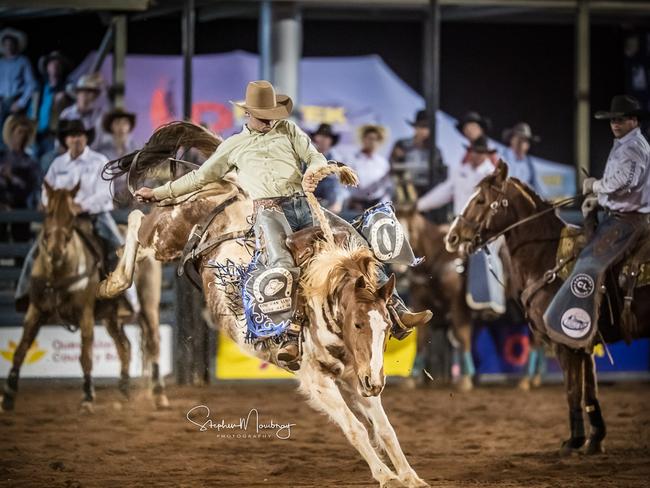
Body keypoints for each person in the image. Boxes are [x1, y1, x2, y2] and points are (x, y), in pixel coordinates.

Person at [134, 80, 431, 368]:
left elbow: (312, 155)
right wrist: (159, 193)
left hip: (303, 202)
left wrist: (316, 169)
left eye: (271, 117)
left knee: (357, 242)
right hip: (268, 212)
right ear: (248, 115)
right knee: (279, 263)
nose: (269, 122)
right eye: (263, 118)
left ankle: (396, 310)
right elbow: (200, 178)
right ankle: (288, 336)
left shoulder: (288, 129)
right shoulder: (233, 146)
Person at [545, 95, 650, 346]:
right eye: (613, 119)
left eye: (621, 119)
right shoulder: (625, 144)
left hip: (628, 221)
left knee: (589, 264)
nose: (615, 123)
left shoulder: (634, 148)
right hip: (618, 216)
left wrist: (595, 185)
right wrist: (600, 199)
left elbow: (625, 182)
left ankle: (582, 324)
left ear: (634, 121)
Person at [15, 119, 133, 312]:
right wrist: (49, 203)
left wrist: (81, 206)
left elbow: (106, 193)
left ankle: (128, 299)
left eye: (79, 135)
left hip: (95, 215)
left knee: (118, 248)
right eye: (71, 135)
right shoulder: (58, 163)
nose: (75, 139)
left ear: (86, 138)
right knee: (35, 251)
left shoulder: (99, 161)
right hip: (63, 219)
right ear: (66, 140)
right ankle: (25, 295)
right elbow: (46, 190)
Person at [0, 114, 40, 241]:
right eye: (19, 132)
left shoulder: (30, 162)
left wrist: (11, 177)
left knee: (21, 234)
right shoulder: (2, 157)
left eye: (25, 133)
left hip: (20, 204)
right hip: (1, 204)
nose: (22, 136)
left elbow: (30, 187)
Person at [389, 109, 445, 196]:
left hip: (427, 196)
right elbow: (392, 168)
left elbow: (441, 176)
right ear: (415, 127)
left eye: (427, 128)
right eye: (422, 127)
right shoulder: (401, 144)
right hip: (404, 194)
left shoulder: (436, 151)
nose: (424, 131)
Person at [345, 124, 392, 213]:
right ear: (363, 139)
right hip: (356, 206)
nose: (372, 142)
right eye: (370, 138)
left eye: (376, 139)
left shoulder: (383, 163)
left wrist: (384, 206)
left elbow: (387, 187)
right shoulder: (352, 161)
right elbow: (345, 186)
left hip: (378, 205)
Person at [34, 51, 71, 157]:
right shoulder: (40, 88)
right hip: (37, 135)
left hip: (54, 136)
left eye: (58, 65)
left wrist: (66, 95)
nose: (55, 67)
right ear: (47, 67)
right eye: (52, 64)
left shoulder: (66, 88)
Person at [0, 28, 37, 130]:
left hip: (16, 100)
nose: (9, 47)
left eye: (11, 44)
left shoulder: (23, 61)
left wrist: (21, 102)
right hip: (2, 101)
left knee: (15, 130)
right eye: (6, 45)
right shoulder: (1, 63)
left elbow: (31, 84)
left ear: (16, 45)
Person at [59, 74, 105, 148]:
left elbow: (100, 140)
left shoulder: (99, 115)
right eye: (82, 92)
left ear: (94, 96)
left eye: (89, 92)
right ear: (77, 94)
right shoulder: (66, 114)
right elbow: (60, 141)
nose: (85, 95)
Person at [310, 123, 344, 213]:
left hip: (327, 205)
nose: (323, 139)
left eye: (327, 136)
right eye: (321, 135)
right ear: (316, 137)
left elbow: (338, 184)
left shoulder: (336, 160)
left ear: (331, 141)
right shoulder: (305, 156)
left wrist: (338, 202)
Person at [500, 122, 540, 189]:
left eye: (524, 140)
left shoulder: (529, 165)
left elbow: (533, 187)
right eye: (519, 139)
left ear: (528, 145)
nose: (520, 144)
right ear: (511, 140)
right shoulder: (501, 157)